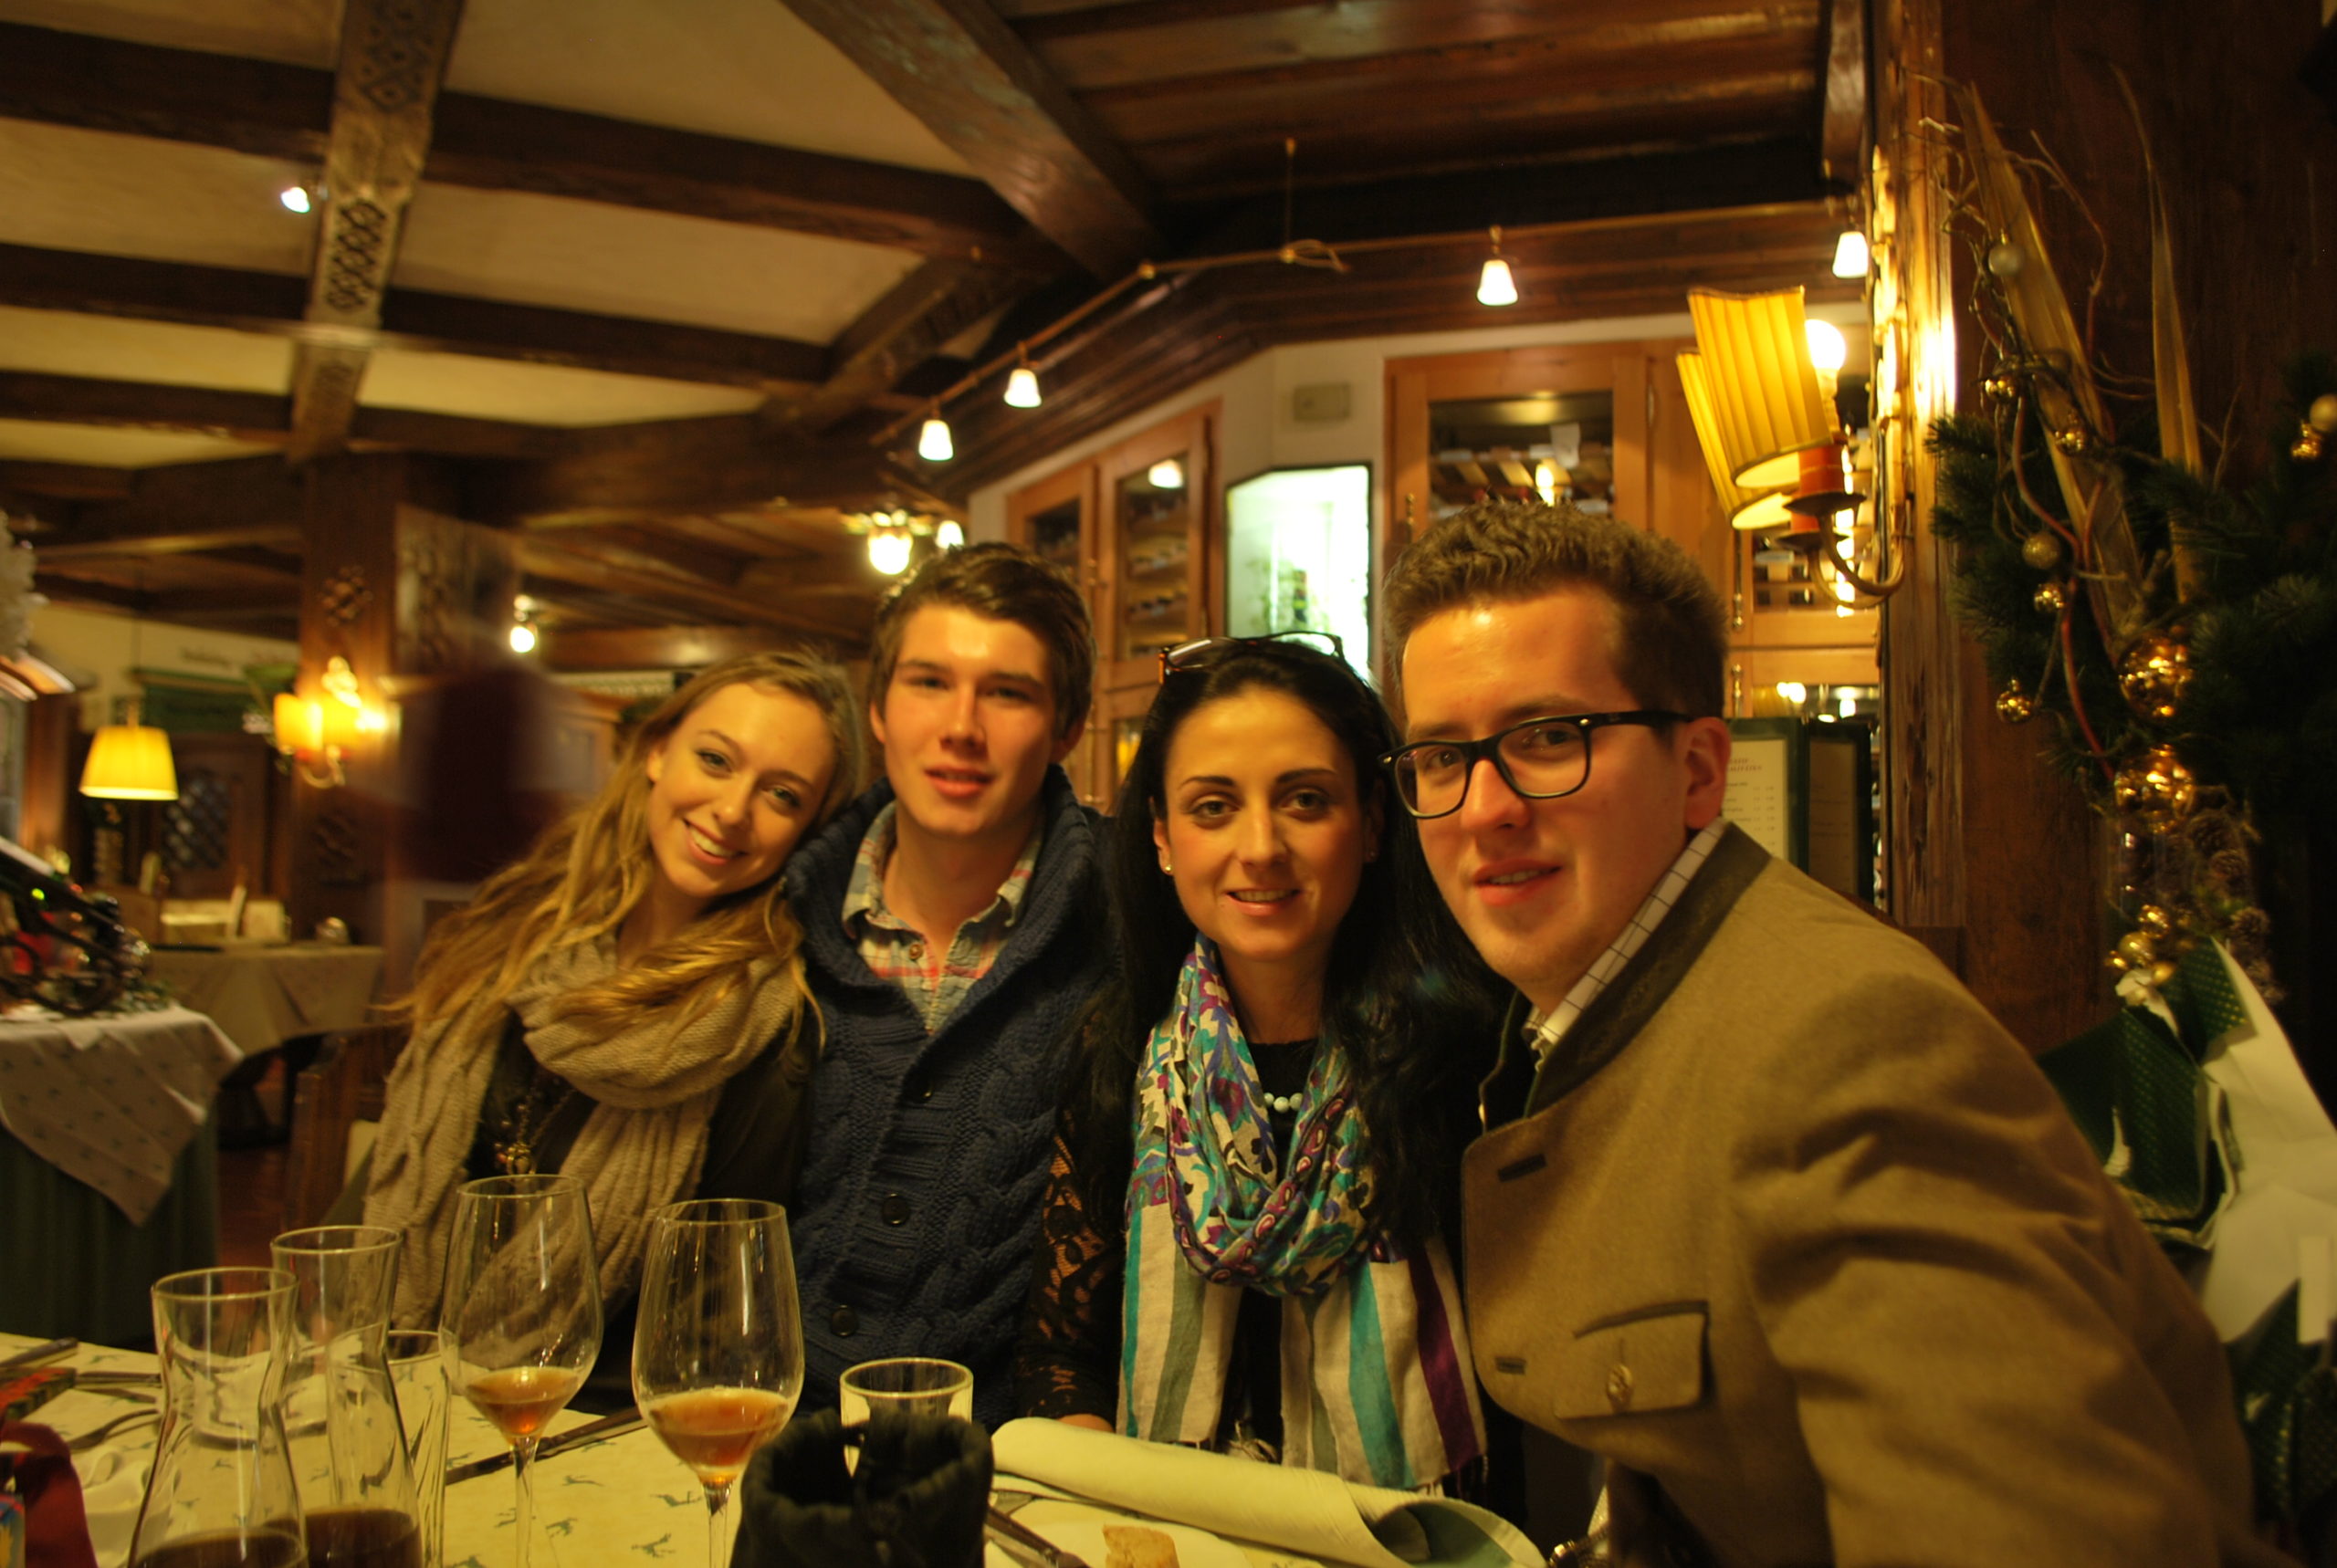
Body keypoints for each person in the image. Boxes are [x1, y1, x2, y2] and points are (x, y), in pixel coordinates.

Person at [1380, 497, 2286, 1567]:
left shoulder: (1845, 1043)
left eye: (1547, 739)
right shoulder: (1619, 1005)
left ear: (1699, 770)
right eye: (1439, 757)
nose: (1481, 807)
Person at [1013, 634, 1502, 1491]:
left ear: (1372, 824)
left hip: (1420, 1538)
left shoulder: (1467, 1056)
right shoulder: (1118, 1047)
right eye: (1213, 807)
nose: (1262, 846)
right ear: (1161, 836)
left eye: (1306, 800)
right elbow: (1063, 1357)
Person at [364, 650, 865, 1353]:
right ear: (657, 751)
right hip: (402, 1369)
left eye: (782, 795)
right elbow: (383, 1187)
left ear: (808, 833)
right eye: (715, 760)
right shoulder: (514, 932)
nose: (731, 811)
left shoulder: (766, 1032)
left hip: (596, 1403)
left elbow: (711, 1323)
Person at [785, 542, 1107, 1429]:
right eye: (929, 682)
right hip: (769, 1450)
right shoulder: (778, 920)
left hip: (1014, 1470)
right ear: (879, 710)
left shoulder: (1131, 919)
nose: (961, 726)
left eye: (1007, 693)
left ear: (1068, 728)